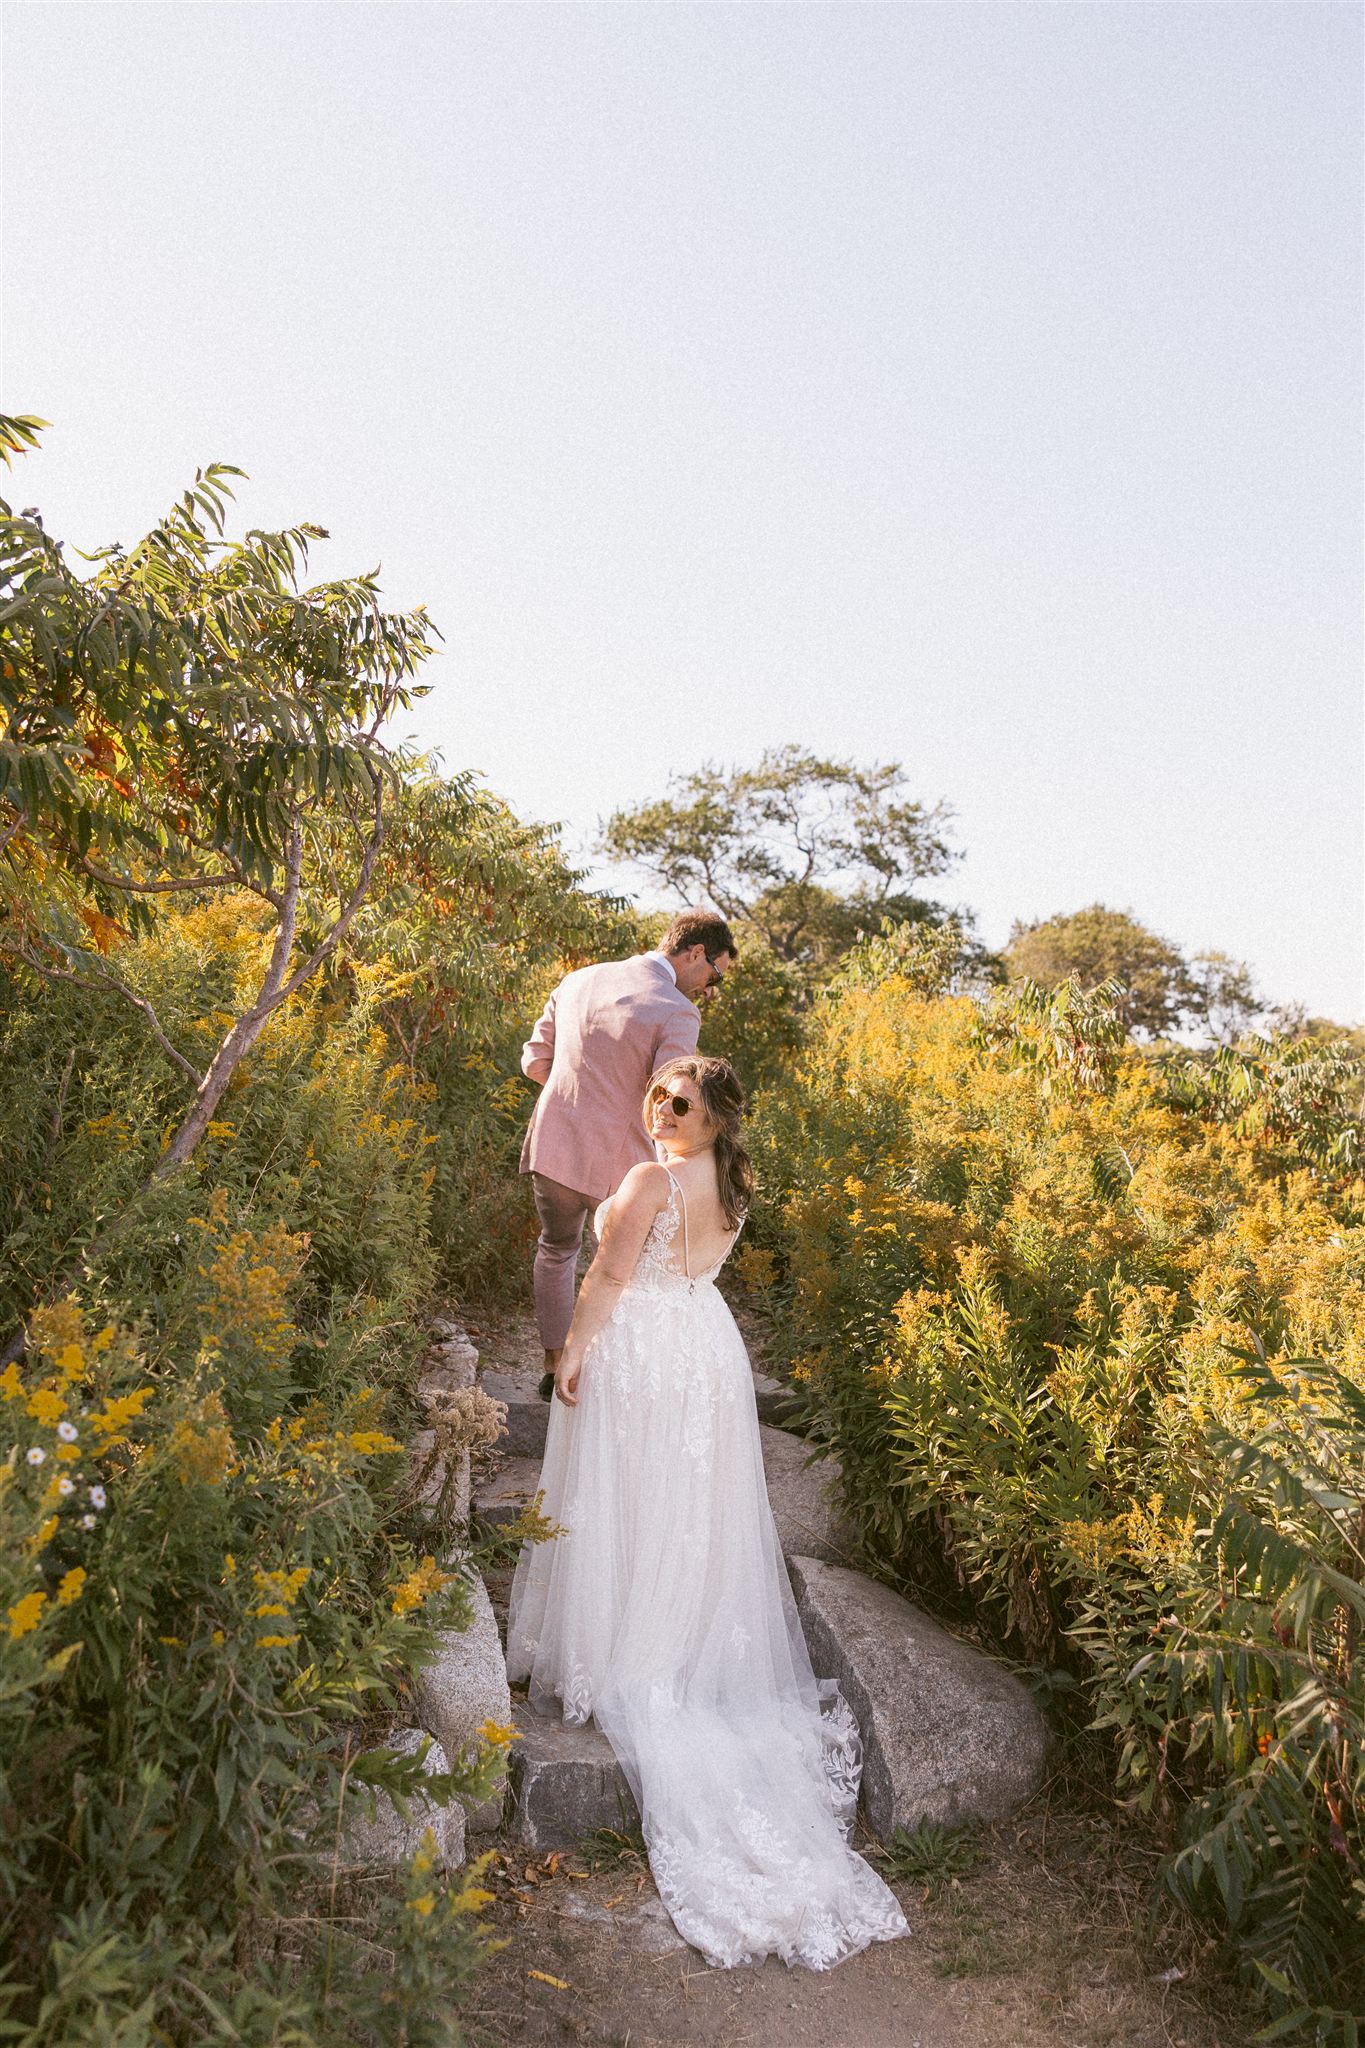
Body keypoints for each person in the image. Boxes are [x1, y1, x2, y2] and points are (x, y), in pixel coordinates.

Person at [506, 1056, 909, 1970]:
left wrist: (569, 1351)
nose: (664, 1108)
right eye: (656, 1095)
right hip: (703, 1339)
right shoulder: (729, 1183)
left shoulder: (652, 1176)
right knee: (679, 1505)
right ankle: (673, 1637)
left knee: (632, 1495)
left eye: (682, 1102)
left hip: (647, 1342)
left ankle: (625, 1647)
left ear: (718, 1118)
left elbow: (606, 1277)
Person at [519, 910, 736, 1398]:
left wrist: (579, 1098)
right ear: (695, 953)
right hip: (625, 1160)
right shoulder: (677, 1010)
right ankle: (599, 1369)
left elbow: (534, 1061)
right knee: (623, 1267)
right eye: (715, 974)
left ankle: (554, 1365)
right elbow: (670, 1096)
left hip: (554, 1143)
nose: (710, 988)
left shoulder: (579, 979)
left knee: (556, 1250)